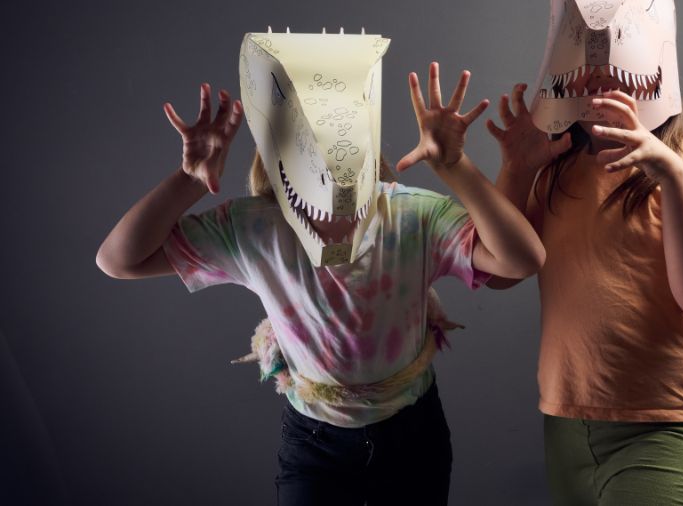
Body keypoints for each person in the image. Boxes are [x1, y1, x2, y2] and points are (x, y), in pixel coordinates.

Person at [95, 61, 545, 506]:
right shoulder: (254, 229)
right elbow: (118, 260)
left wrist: (455, 166)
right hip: (315, 446)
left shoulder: (412, 216)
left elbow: (523, 259)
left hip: (412, 434)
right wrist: (188, 182)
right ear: (278, 151)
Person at [485, 76, 683, 506]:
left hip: (661, 425)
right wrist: (517, 168)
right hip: (566, 421)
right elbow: (497, 273)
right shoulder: (554, 167)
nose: (600, 74)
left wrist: (672, 175)